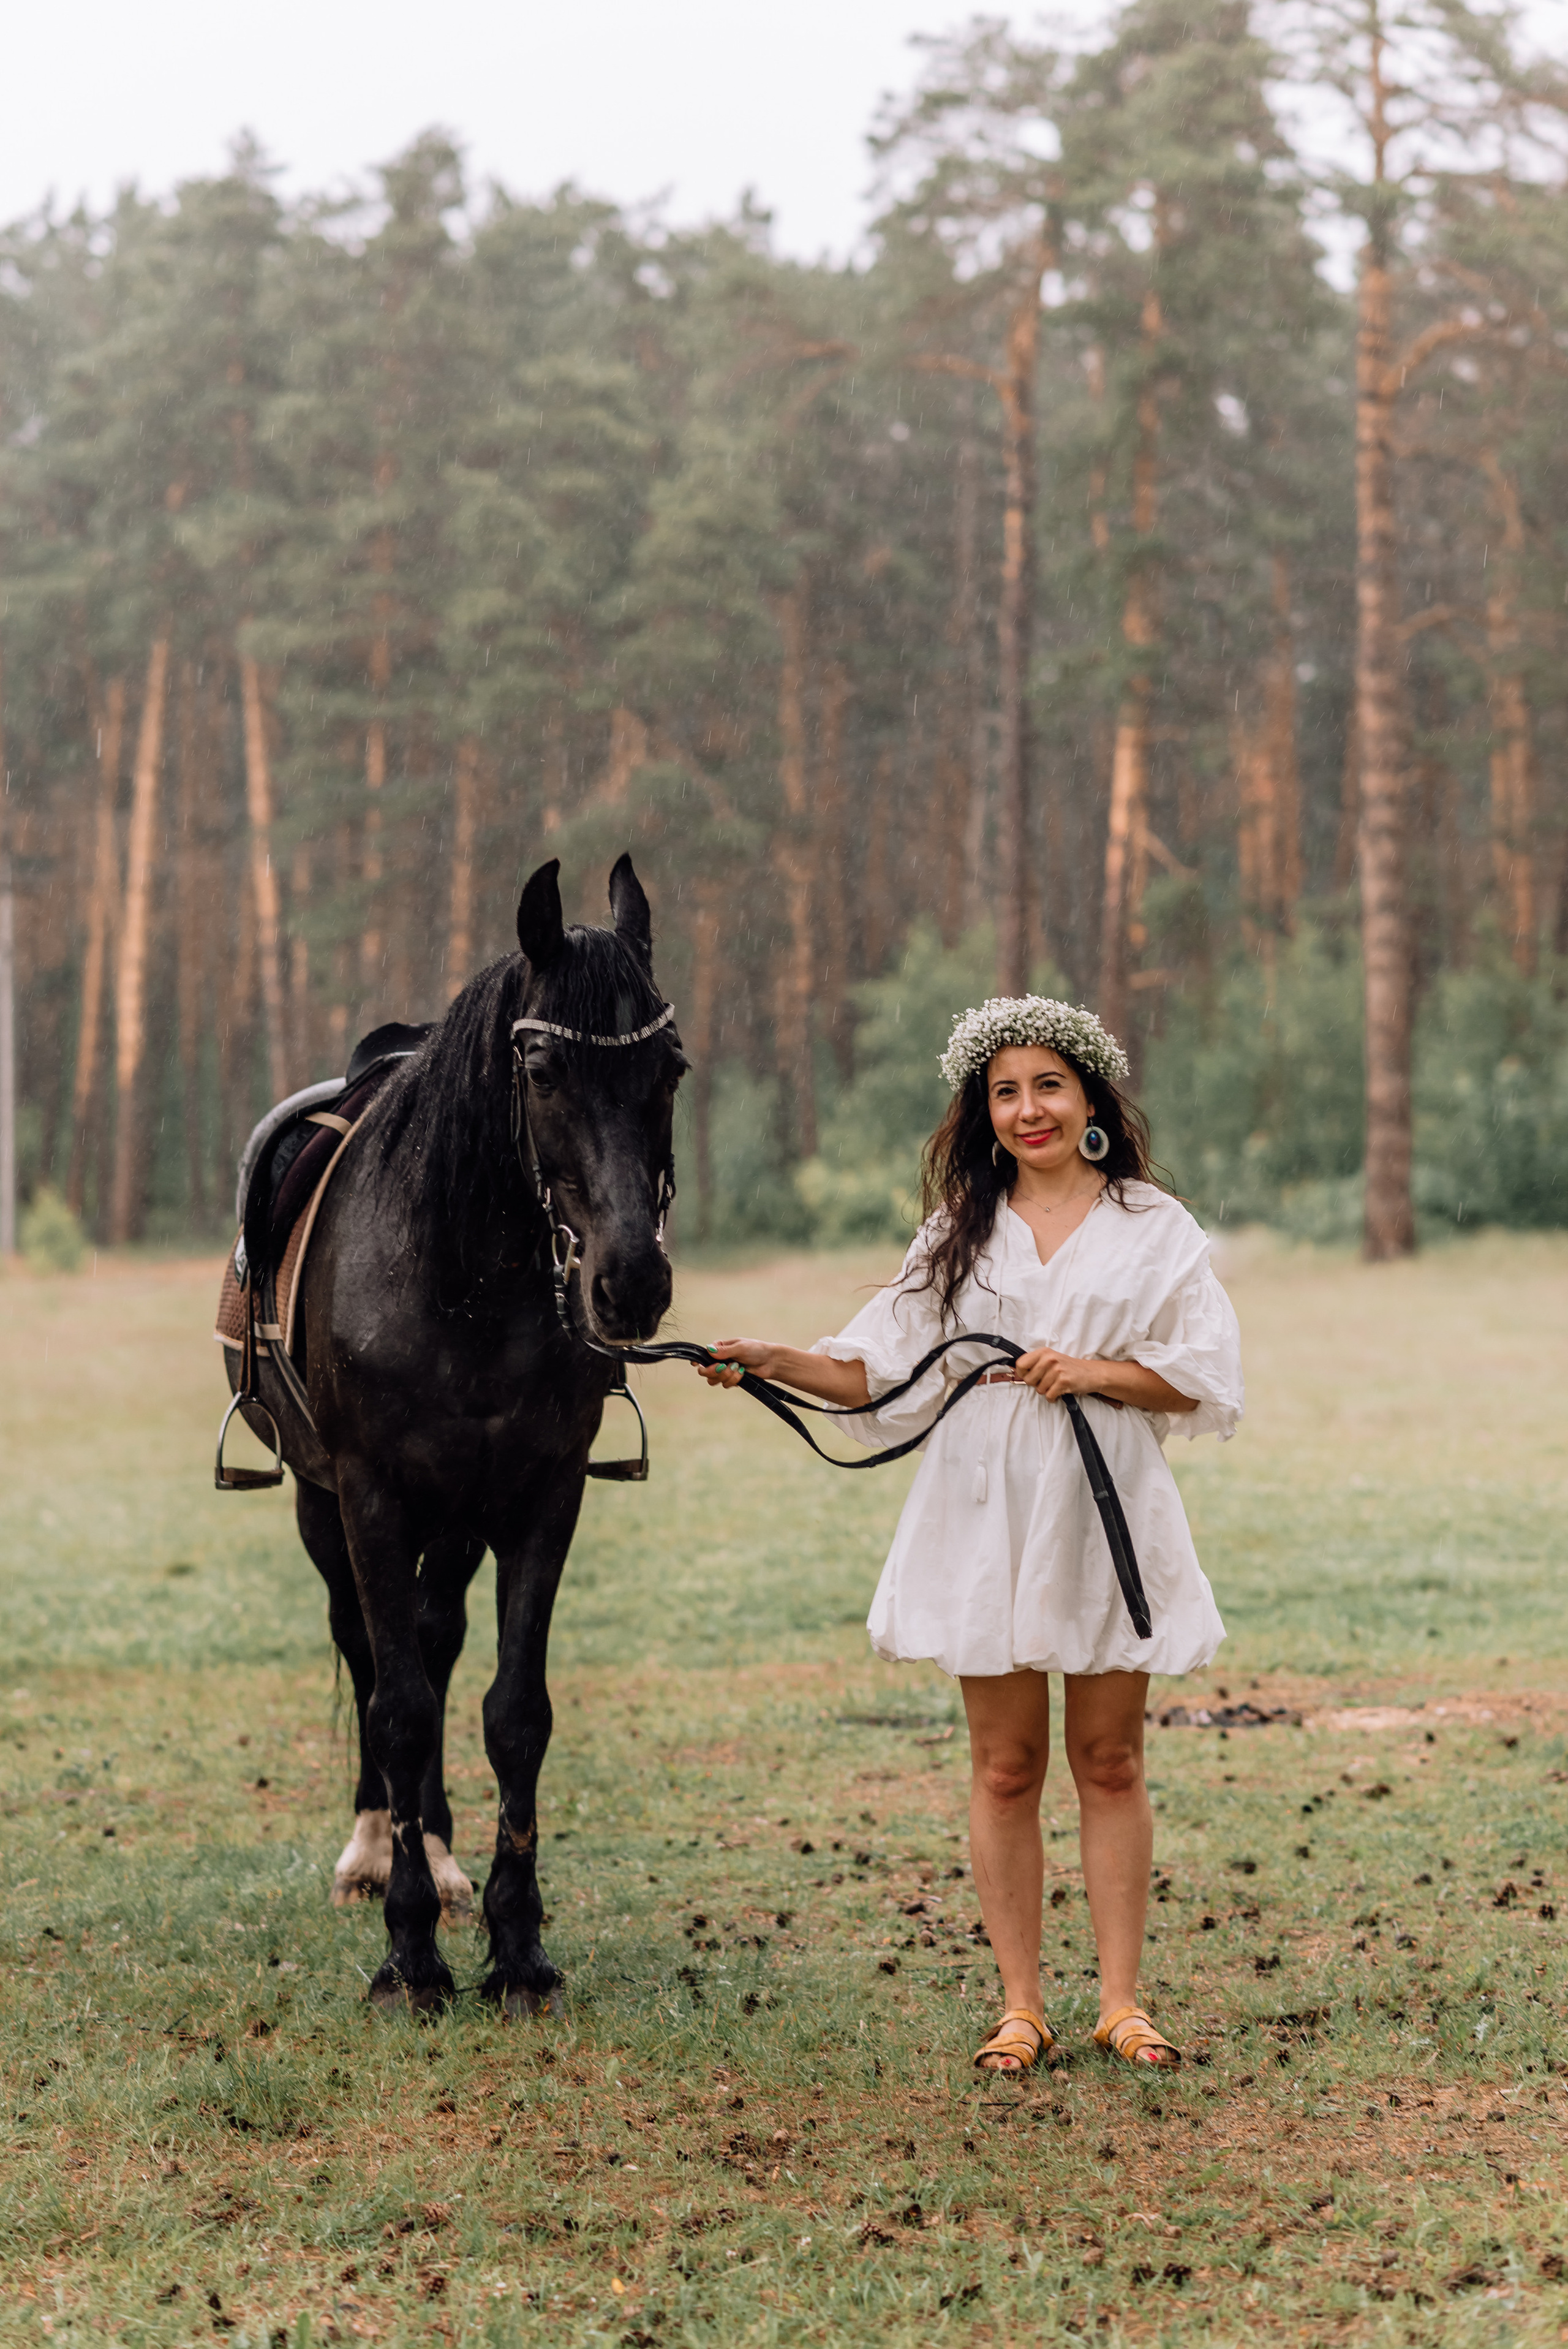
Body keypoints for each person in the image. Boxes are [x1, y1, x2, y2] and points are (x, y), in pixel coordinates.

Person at [696, 995, 1242, 2074]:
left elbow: (1204, 1374)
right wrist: (770, 1355)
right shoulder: (958, 1231)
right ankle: (1021, 2007)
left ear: (1089, 1094)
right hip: (983, 1507)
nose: (1028, 1110)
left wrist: (1089, 1370)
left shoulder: (1153, 1225)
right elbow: (873, 1367)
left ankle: (1124, 2002)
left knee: (1110, 1757)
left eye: (1048, 1085)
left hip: (1102, 1504)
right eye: (1004, 1092)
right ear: (980, 1110)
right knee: (1004, 1766)